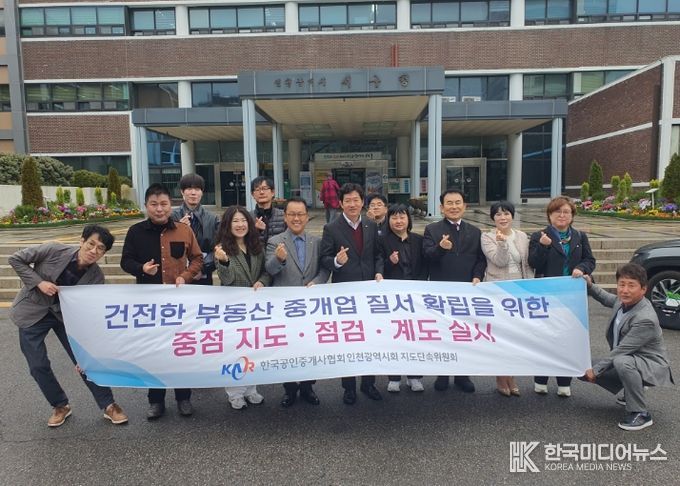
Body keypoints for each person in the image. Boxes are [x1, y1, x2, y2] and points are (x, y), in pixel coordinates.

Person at [9, 224, 128, 427]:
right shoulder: (53, 250)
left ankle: (108, 404)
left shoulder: (96, 278)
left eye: (100, 248)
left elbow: (89, 312)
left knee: (86, 362)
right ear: (81, 241)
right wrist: (39, 282)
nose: (94, 251)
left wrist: (86, 351)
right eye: (91, 244)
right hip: (32, 312)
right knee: (38, 365)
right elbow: (15, 259)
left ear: (104, 253)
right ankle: (60, 405)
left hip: (67, 318)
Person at [120, 183, 203, 420]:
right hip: (149, 306)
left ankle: (183, 398)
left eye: (164, 204)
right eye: (154, 204)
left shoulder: (183, 230)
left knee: (181, 349)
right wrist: (141, 269)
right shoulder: (135, 232)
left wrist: (186, 275)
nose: (159, 209)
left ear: (171, 205)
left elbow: (197, 259)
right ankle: (155, 401)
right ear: (146, 206)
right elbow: (125, 261)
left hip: (179, 304)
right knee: (154, 352)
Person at [583, 263, 674, 431]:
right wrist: (589, 285)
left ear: (643, 289)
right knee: (583, 365)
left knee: (621, 362)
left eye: (631, 285)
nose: (625, 290)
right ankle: (631, 391)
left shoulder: (645, 318)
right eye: (622, 284)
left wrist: (595, 371)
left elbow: (622, 350)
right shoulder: (623, 302)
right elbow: (605, 298)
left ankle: (640, 413)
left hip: (651, 364)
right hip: (632, 358)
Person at [320, 182, 384, 405]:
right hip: (345, 294)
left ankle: (369, 383)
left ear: (362, 202)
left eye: (356, 200)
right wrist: (337, 261)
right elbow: (324, 258)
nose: (352, 204)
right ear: (340, 203)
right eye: (348, 200)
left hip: (369, 292)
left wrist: (379, 271)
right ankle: (348, 387)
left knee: (370, 339)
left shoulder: (370, 225)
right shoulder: (332, 228)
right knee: (349, 340)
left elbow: (378, 254)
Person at [265, 197, 331, 408]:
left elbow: (324, 269)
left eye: (300, 214)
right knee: (288, 349)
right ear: (285, 217)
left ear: (306, 217)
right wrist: (279, 259)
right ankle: (289, 389)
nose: (296, 218)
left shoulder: (316, 242)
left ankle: (308, 386)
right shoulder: (275, 241)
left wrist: (317, 282)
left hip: (310, 307)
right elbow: (269, 270)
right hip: (285, 307)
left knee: (309, 348)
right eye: (292, 214)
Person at [528, 195, 595, 398]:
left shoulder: (580, 237)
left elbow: (590, 260)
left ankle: (564, 381)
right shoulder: (539, 235)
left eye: (566, 212)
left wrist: (581, 268)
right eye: (557, 211)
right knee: (544, 338)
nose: (562, 215)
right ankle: (540, 380)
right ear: (549, 215)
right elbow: (534, 263)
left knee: (567, 339)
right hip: (546, 296)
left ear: (572, 215)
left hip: (571, 297)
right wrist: (543, 246)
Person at [423, 189, 486, 393]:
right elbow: (427, 256)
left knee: (464, 334)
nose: (454, 206)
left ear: (464, 206)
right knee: (444, 334)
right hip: (441, 291)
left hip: (467, 292)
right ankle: (442, 374)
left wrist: (477, 276)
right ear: (441, 207)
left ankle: (462, 375)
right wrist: (441, 248)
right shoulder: (432, 229)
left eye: (458, 202)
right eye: (449, 203)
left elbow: (480, 259)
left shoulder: (475, 231)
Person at [215, 206, 272, 410]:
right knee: (235, 351)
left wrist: (262, 282)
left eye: (243, 220)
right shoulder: (222, 249)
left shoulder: (256, 246)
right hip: (234, 309)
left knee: (253, 349)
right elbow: (227, 280)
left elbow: (266, 271)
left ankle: (251, 389)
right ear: (228, 225)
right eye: (235, 221)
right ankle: (235, 393)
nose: (240, 225)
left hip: (255, 308)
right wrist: (224, 262)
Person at [480, 201, 534, 397]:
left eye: (506, 213)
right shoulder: (487, 237)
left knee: (515, 336)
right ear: (493, 218)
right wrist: (502, 243)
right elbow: (499, 261)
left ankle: (511, 375)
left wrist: (530, 287)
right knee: (500, 336)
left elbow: (526, 264)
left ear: (512, 215)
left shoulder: (521, 236)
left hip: (519, 292)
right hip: (498, 292)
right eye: (498, 214)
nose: (502, 218)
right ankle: (501, 377)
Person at [380, 203, 428, 393]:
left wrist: (419, 287)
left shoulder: (418, 240)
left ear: (408, 219)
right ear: (388, 220)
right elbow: (378, 267)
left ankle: (414, 377)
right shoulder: (382, 241)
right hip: (393, 298)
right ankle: (394, 377)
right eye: (394, 217)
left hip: (415, 297)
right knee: (394, 337)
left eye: (402, 217)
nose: (398, 221)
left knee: (415, 337)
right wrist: (390, 262)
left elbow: (425, 267)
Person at [172, 173, 219, 286]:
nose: (193, 193)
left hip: (203, 275)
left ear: (202, 192)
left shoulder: (213, 219)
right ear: (182, 192)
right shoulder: (171, 217)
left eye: (197, 189)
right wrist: (178, 230)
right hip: (177, 276)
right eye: (189, 189)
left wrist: (202, 269)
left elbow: (218, 248)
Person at [250, 176, 286, 245]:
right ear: (253, 194)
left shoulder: (283, 216)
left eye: (265, 188)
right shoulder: (248, 217)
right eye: (257, 189)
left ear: (272, 192)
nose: (261, 192)